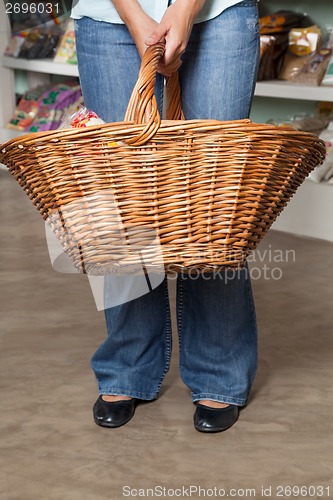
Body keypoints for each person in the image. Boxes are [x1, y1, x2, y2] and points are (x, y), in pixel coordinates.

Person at [72, 0, 260, 433]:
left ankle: (218, 370)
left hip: (220, 14)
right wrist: (133, 14)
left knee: (212, 204)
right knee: (122, 204)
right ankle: (128, 364)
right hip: (109, 18)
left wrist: (187, 7)